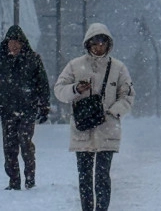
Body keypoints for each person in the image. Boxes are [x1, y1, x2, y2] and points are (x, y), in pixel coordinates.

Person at [54, 23, 135, 211]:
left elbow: (128, 95)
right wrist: (75, 89)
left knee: (102, 177)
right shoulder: (74, 65)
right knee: (84, 178)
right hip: (82, 129)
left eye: (102, 42)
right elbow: (59, 90)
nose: (99, 46)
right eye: (95, 42)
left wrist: (113, 112)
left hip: (108, 128)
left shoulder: (118, 68)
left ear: (108, 44)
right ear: (88, 43)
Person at [0, 25, 51, 190]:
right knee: (9, 147)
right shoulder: (0, 61)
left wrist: (44, 106)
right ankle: (14, 181)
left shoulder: (33, 60)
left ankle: (29, 179)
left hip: (28, 109)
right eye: (10, 42)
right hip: (7, 110)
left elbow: (43, 84)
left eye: (16, 42)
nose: (13, 45)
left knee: (25, 143)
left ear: (22, 43)